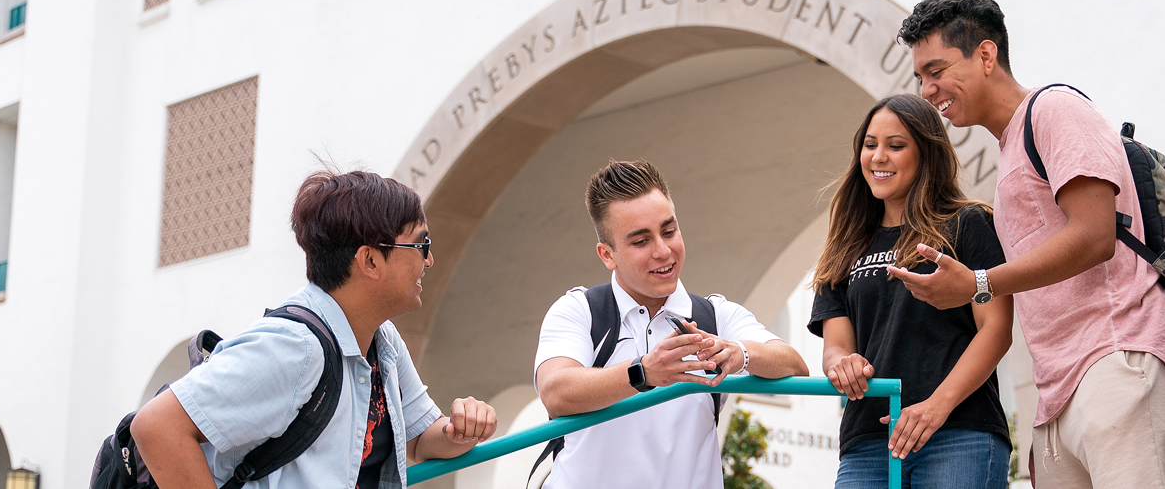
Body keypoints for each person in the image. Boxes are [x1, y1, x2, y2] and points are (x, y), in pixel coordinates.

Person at [888, 0, 1165, 489]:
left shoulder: (1055, 108)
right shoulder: (1011, 146)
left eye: (936, 70)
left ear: (987, 55)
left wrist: (978, 283)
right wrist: (1049, 418)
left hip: (1118, 359)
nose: (928, 90)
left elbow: (1094, 236)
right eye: (920, 79)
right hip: (1064, 391)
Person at [132, 170, 500, 488]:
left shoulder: (382, 340)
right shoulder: (296, 347)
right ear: (370, 260)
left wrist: (463, 429)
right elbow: (157, 426)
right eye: (421, 243)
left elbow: (420, 439)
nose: (429, 259)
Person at [532, 160, 809, 489]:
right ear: (607, 254)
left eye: (669, 231)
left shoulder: (716, 315)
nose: (663, 251)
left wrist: (741, 353)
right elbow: (556, 392)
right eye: (641, 241)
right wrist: (643, 373)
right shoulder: (580, 309)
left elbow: (795, 363)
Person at [809, 94, 1014, 488]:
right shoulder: (844, 246)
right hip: (867, 440)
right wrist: (841, 363)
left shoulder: (968, 224)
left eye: (896, 145)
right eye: (870, 145)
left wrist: (935, 408)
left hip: (958, 433)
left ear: (926, 154)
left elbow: (997, 329)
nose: (878, 157)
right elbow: (836, 346)